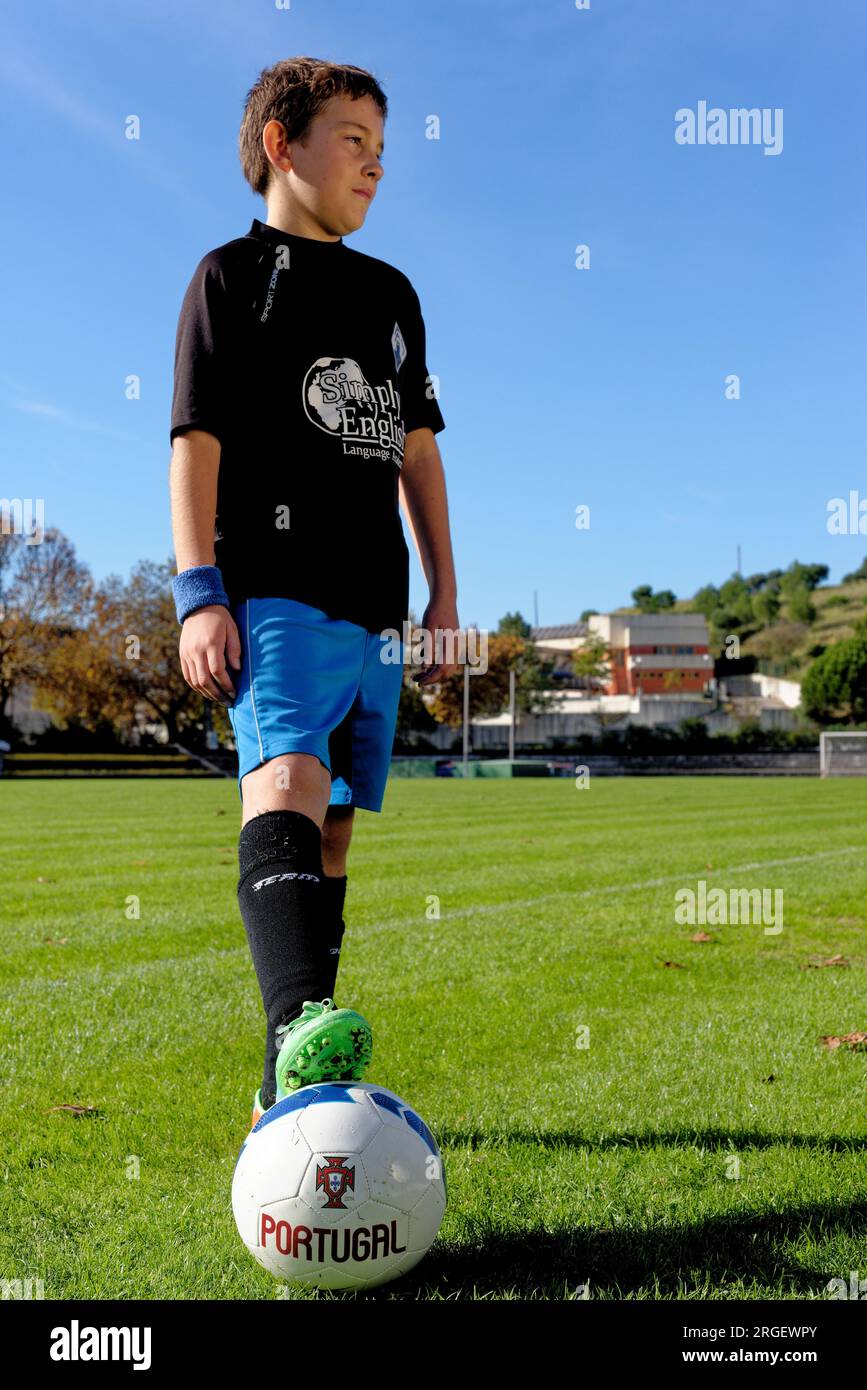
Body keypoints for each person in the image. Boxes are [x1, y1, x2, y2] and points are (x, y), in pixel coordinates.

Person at [168, 57, 459, 1133]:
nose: (375, 164)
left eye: (384, 149)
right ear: (283, 144)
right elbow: (193, 445)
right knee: (283, 777)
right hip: (272, 589)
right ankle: (301, 1017)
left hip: (375, 605)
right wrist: (200, 589)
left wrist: (441, 595)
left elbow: (418, 457)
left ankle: (282, 1081)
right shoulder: (230, 277)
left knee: (332, 831)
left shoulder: (393, 296)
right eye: (353, 140)